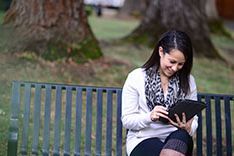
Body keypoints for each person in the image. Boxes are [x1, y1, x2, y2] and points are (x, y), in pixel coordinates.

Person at [121, 30, 198, 156]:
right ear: (161, 51)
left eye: (180, 64)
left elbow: (194, 120)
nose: (175, 68)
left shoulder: (188, 81)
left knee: (178, 142)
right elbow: (127, 120)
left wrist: (188, 127)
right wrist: (149, 116)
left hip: (176, 136)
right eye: (172, 62)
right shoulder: (136, 77)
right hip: (142, 138)